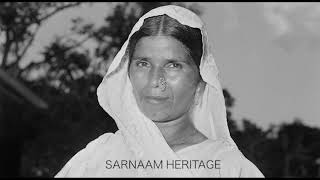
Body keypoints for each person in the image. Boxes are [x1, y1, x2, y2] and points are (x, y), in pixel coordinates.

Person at [55, 5, 264, 177]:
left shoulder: (229, 168)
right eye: (143, 63)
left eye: (173, 65)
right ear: (127, 71)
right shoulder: (97, 158)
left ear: (201, 78)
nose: (155, 81)